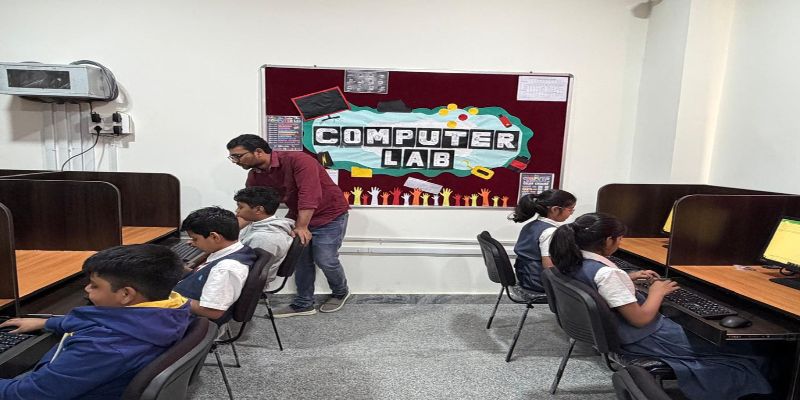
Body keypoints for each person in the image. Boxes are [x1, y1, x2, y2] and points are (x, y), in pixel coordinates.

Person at [549, 212, 772, 400]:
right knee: (743, 350)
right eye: (620, 239)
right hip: (645, 339)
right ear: (608, 241)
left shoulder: (574, 260)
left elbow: (598, 285)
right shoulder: (607, 274)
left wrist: (628, 278)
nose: (620, 243)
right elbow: (640, 319)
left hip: (623, 335)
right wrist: (657, 292)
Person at [0, 244, 192, 400]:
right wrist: (46, 323)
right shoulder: (169, 309)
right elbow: (103, 320)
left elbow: (26, 395)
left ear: (126, 294)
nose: (87, 289)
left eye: (95, 286)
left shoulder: (104, 346)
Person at [227, 134, 350, 317]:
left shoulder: (298, 160)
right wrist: (226, 234)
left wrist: (301, 226)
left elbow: (309, 194)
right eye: (232, 157)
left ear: (258, 152)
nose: (235, 161)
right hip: (299, 216)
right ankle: (304, 303)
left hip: (329, 215)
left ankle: (340, 292)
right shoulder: (255, 176)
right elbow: (251, 208)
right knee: (301, 260)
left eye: (238, 156)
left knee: (325, 259)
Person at [175, 206, 256, 323]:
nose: (190, 242)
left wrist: (170, 300)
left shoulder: (225, 268)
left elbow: (213, 312)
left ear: (214, 237)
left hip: (186, 319)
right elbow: (207, 275)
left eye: (195, 239)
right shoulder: (235, 250)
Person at [510, 189, 576, 292]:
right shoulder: (550, 231)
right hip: (538, 281)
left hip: (526, 276)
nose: (571, 213)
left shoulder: (531, 225)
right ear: (555, 209)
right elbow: (548, 266)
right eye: (570, 209)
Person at [234, 186, 294, 288]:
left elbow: (252, 272)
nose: (237, 211)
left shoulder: (265, 239)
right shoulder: (256, 224)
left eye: (241, 207)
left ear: (258, 210)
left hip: (247, 285)